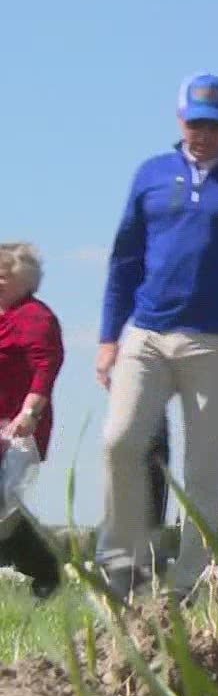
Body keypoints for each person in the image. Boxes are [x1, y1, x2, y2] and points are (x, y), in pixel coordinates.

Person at [95, 74, 218, 601]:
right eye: (194, 122)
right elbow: (124, 259)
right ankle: (126, 570)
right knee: (120, 441)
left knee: (203, 469)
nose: (201, 134)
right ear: (179, 118)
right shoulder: (151, 175)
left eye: (212, 124)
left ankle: (185, 587)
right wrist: (107, 335)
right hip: (147, 332)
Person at [0, 243, 65, 598]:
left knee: (3, 508)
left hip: (18, 428)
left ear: (24, 280)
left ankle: (46, 570)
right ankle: (45, 571)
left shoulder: (36, 318)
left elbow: (45, 367)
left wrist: (30, 413)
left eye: (4, 275)